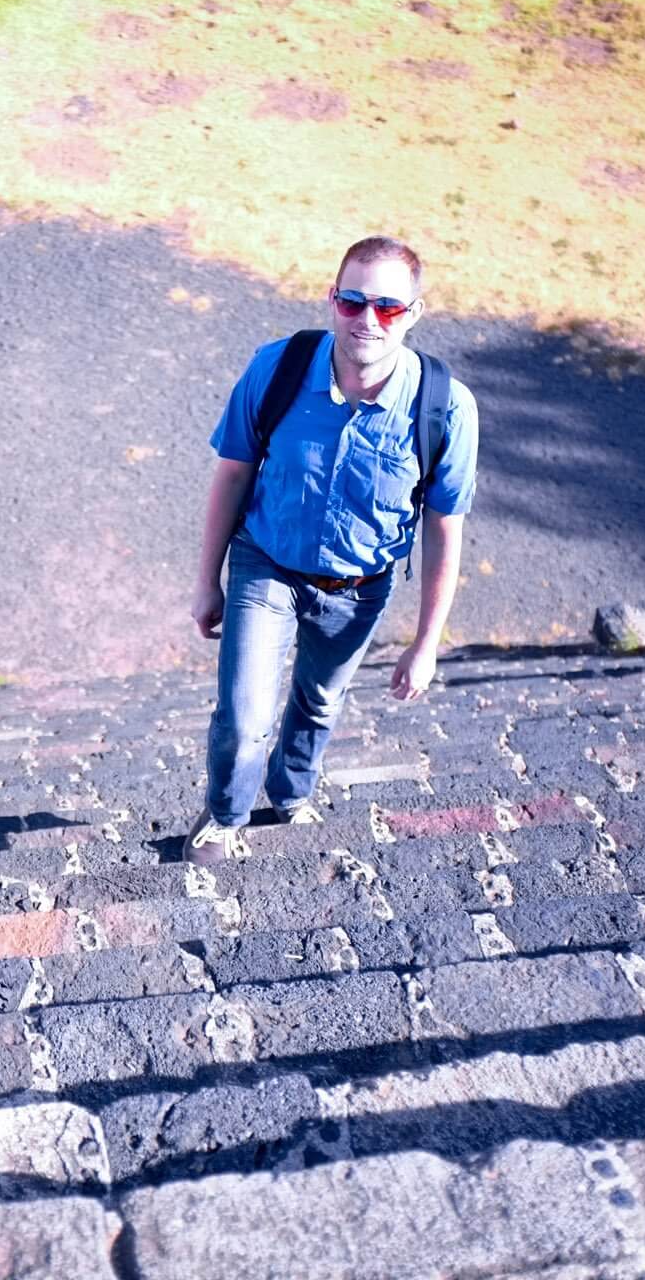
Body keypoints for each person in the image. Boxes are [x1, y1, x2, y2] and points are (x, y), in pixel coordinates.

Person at [184, 235, 479, 864]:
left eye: (389, 308)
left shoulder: (445, 408)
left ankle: (291, 796)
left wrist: (426, 645)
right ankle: (226, 815)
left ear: (415, 313)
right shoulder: (278, 368)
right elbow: (233, 472)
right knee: (244, 716)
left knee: (319, 702)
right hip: (267, 568)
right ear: (331, 301)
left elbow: (444, 529)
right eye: (352, 302)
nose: (368, 321)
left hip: (359, 589)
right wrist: (208, 578)